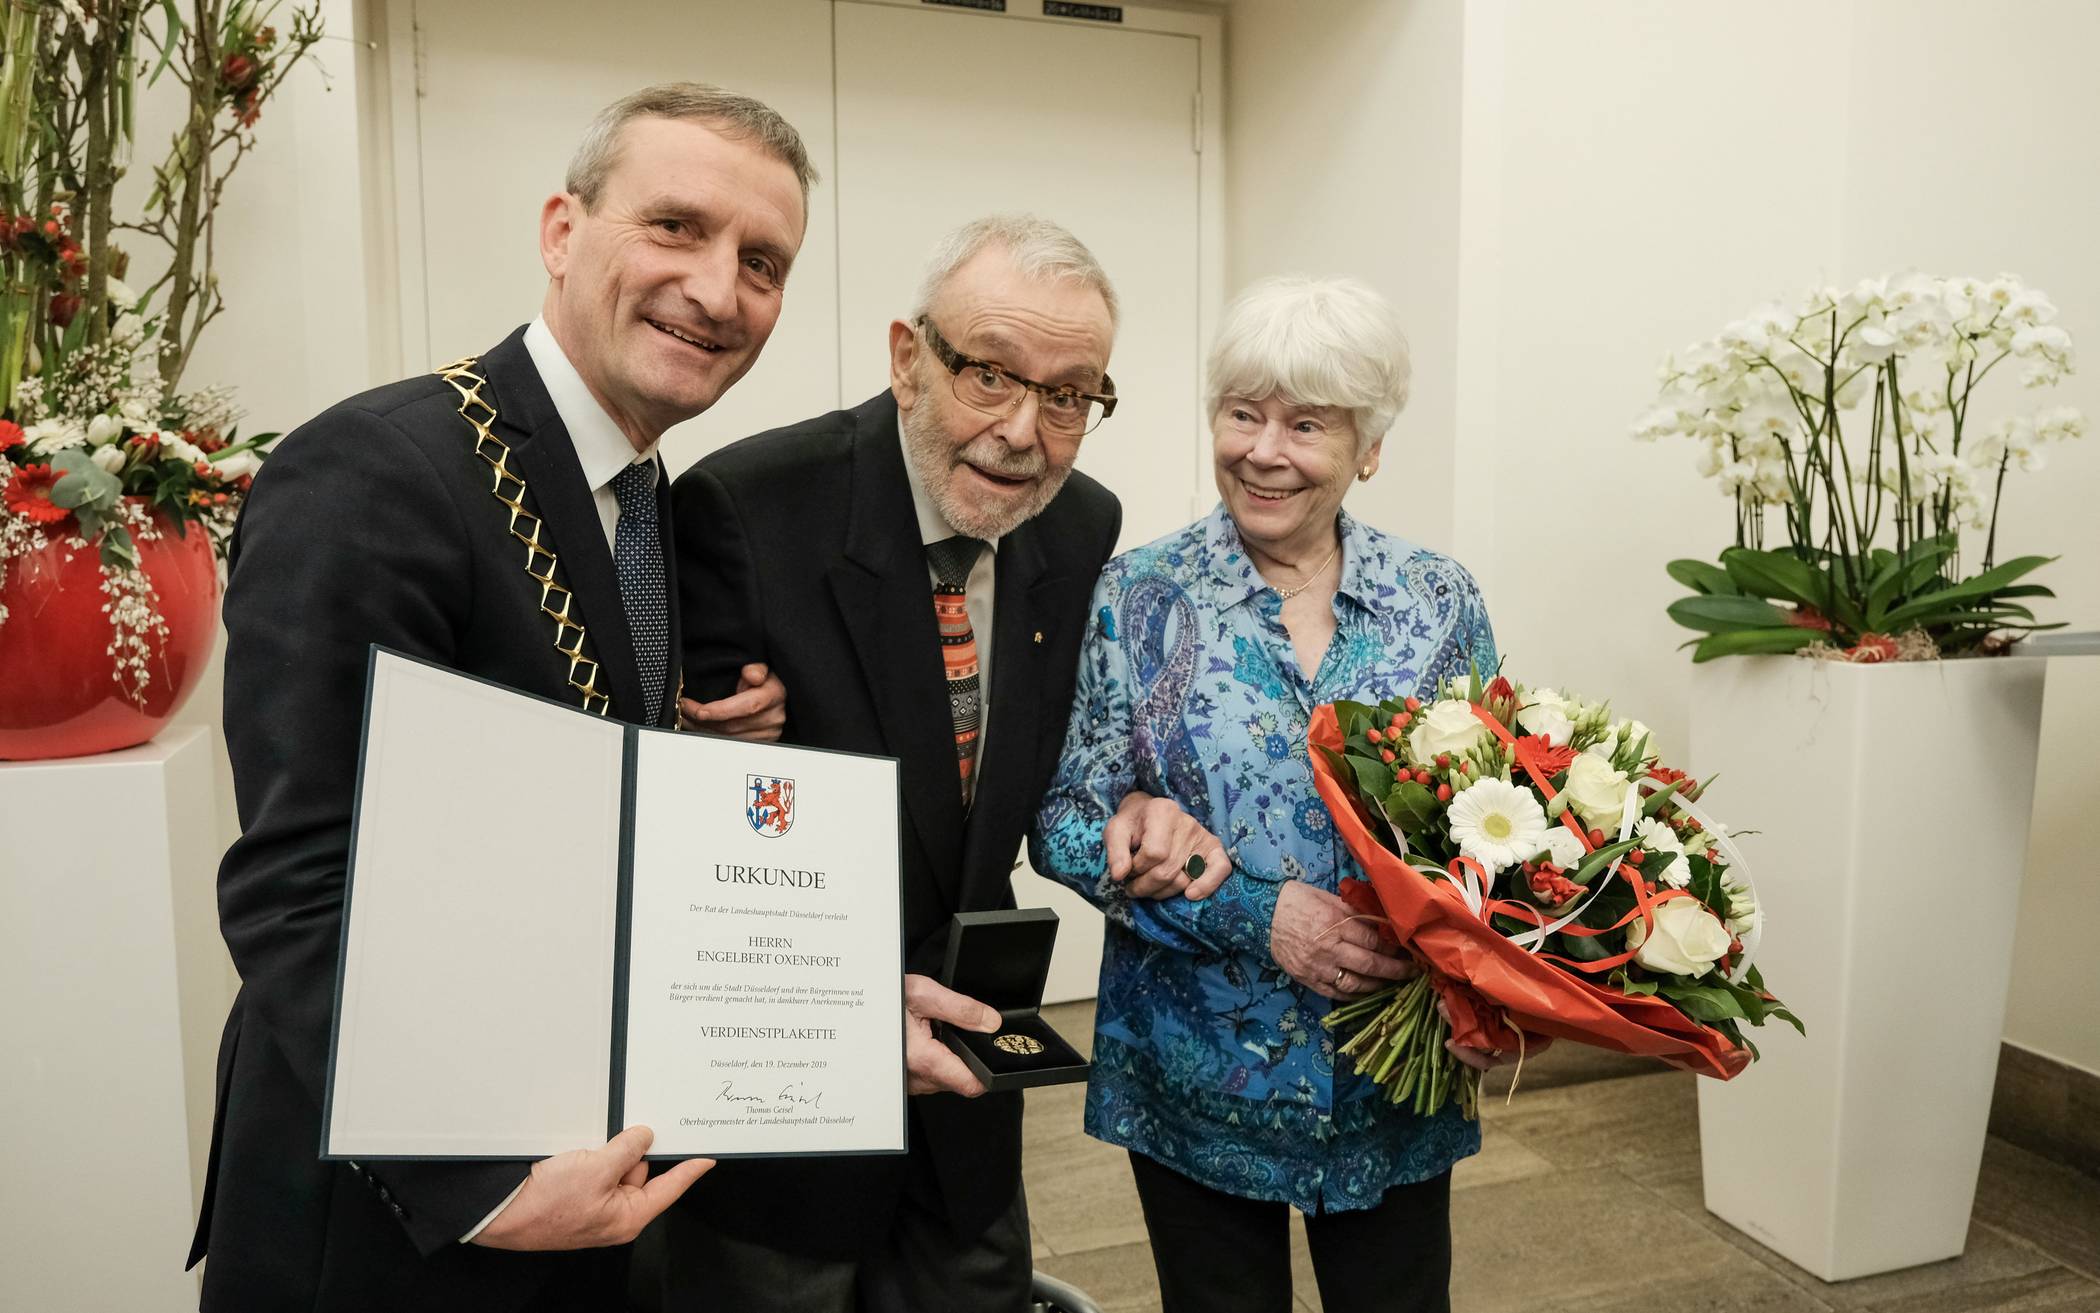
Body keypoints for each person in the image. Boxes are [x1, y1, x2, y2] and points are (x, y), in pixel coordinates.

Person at [188, 83, 810, 1312]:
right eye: (675, 225)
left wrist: (816, 1006)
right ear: (562, 232)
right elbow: (301, 880)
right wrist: (473, 1181)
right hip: (391, 1224)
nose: (720, 289)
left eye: (764, 261)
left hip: (573, 1171)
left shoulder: (643, 498)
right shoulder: (375, 471)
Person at [647, 215, 1167, 1313]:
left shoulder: (1080, 525)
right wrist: (705, 738)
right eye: (988, 374)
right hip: (781, 1077)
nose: (1024, 429)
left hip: (972, 1068)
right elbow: (680, 811)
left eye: (1070, 393)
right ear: (906, 357)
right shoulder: (743, 508)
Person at [1032, 277, 1510, 1313]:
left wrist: (1496, 988)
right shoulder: (1137, 595)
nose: (1262, 449)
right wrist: (1259, 913)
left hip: (1395, 1075)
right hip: (1194, 1072)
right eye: (1242, 413)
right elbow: (1063, 821)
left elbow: (1500, 822)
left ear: (1368, 447)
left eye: (1306, 424)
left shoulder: (1440, 601)